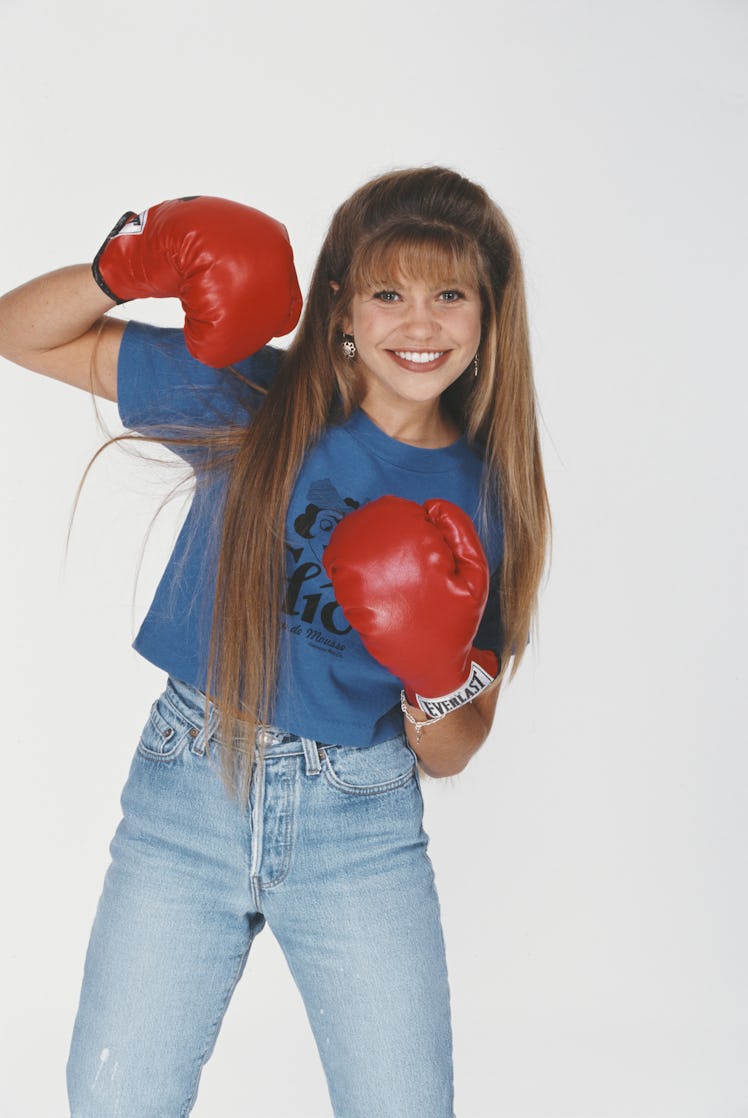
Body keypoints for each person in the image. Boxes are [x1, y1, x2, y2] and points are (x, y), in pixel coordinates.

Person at [0, 168, 550, 1117]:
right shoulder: (252, 400)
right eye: (390, 291)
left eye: (449, 294)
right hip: (190, 788)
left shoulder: (489, 500)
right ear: (338, 301)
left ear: (490, 314)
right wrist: (129, 264)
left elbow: (456, 744)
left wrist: (437, 674)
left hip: (361, 823)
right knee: (112, 1103)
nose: (419, 324)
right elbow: (19, 330)